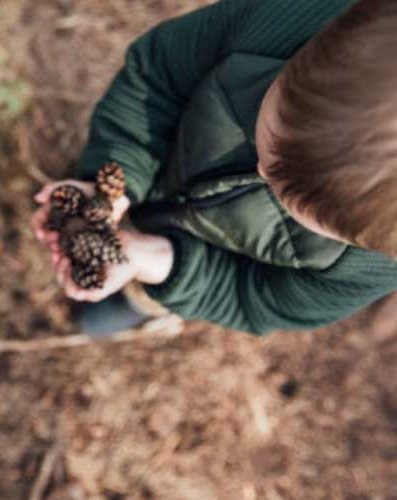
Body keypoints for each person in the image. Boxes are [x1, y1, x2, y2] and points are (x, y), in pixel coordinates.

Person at [33, 0, 397, 336]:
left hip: (191, 267)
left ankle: (138, 301)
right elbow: (156, 77)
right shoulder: (285, 23)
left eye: (293, 203)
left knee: (97, 321)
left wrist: (157, 262)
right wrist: (112, 181)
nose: (263, 173)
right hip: (165, 159)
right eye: (267, 135)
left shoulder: (375, 264)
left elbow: (257, 300)